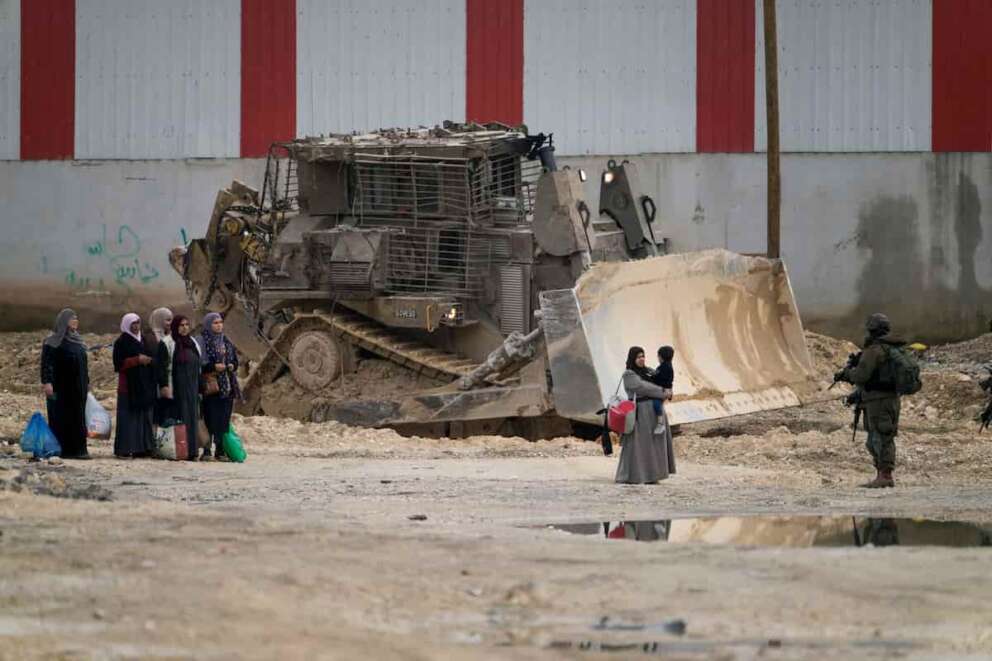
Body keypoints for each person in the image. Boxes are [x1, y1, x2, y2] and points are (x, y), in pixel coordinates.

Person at [837, 313, 904, 488]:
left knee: (880, 437)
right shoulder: (893, 349)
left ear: (872, 330)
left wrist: (846, 374)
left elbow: (861, 376)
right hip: (888, 399)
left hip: (879, 402)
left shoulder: (874, 351)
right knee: (879, 437)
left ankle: (885, 476)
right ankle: (882, 474)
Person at [615, 346, 676, 484]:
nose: (641, 359)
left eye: (643, 356)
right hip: (640, 414)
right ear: (632, 358)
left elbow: (664, 380)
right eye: (638, 356)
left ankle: (653, 476)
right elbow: (643, 387)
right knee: (638, 445)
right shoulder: (629, 374)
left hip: (654, 413)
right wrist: (663, 392)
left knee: (654, 445)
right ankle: (633, 476)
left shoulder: (649, 372)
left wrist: (668, 389)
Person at [40, 309, 91, 459]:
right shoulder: (53, 340)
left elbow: (84, 364)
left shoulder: (78, 341)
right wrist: (47, 382)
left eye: (76, 318)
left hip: (78, 387)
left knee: (78, 417)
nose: (75, 321)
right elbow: (46, 363)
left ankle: (79, 450)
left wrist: (86, 382)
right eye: (72, 318)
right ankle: (63, 450)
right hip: (61, 386)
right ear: (63, 321)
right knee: (61, 417)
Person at [156, 315, 202, 460]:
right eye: (181, 325)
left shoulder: (192, 342)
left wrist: (200, 387)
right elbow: (162, 368)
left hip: (192, 386)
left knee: (192, 417)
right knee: (179, 417)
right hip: (177, 387)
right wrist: (164, 386)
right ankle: (180, 450)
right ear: (176, 327)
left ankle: (192, 451)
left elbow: (198, 365)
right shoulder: (167, 343)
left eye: (187, 325)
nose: (185, 328)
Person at [112, 313, 156, 458]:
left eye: (138, 323)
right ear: (127, 325)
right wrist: (137, 360)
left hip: (144, 385)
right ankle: (125, 448)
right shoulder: (121, 342)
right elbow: (118, 364)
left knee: (143, 418)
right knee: (128, 418)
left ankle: (142, 448)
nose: (136, 326)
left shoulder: (144, 340)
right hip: (128, 387)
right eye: (133, 324)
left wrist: (150, 360)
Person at [200, 312, 240, 462]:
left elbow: (235, 361)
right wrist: (213, 367)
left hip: (227, 387)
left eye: (220, 322)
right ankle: (206, 450)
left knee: (223, 421)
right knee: (210, 419)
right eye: (215, 323)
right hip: (211, 387)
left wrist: (231, 365)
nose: (218, 325)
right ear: (208, 325)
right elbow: (200, 364)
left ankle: (220, 451)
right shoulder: (203, 340)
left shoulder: (226, 341)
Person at [145, 307, 173, 425]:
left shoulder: (170, 337)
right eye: (167, 320)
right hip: (155, 384)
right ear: (159, 320)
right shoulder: (150, 338)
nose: (170, 323)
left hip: (169, 382)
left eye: (171, 320)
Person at [650, 345, 676, 417]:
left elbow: (658, 378)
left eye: (658, 356)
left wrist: (651, 378)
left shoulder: (663, 367)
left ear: (661, 357)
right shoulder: (668, 366)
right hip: (667, 389)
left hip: (663, 390)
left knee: (656, 403)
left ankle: (660, 420)